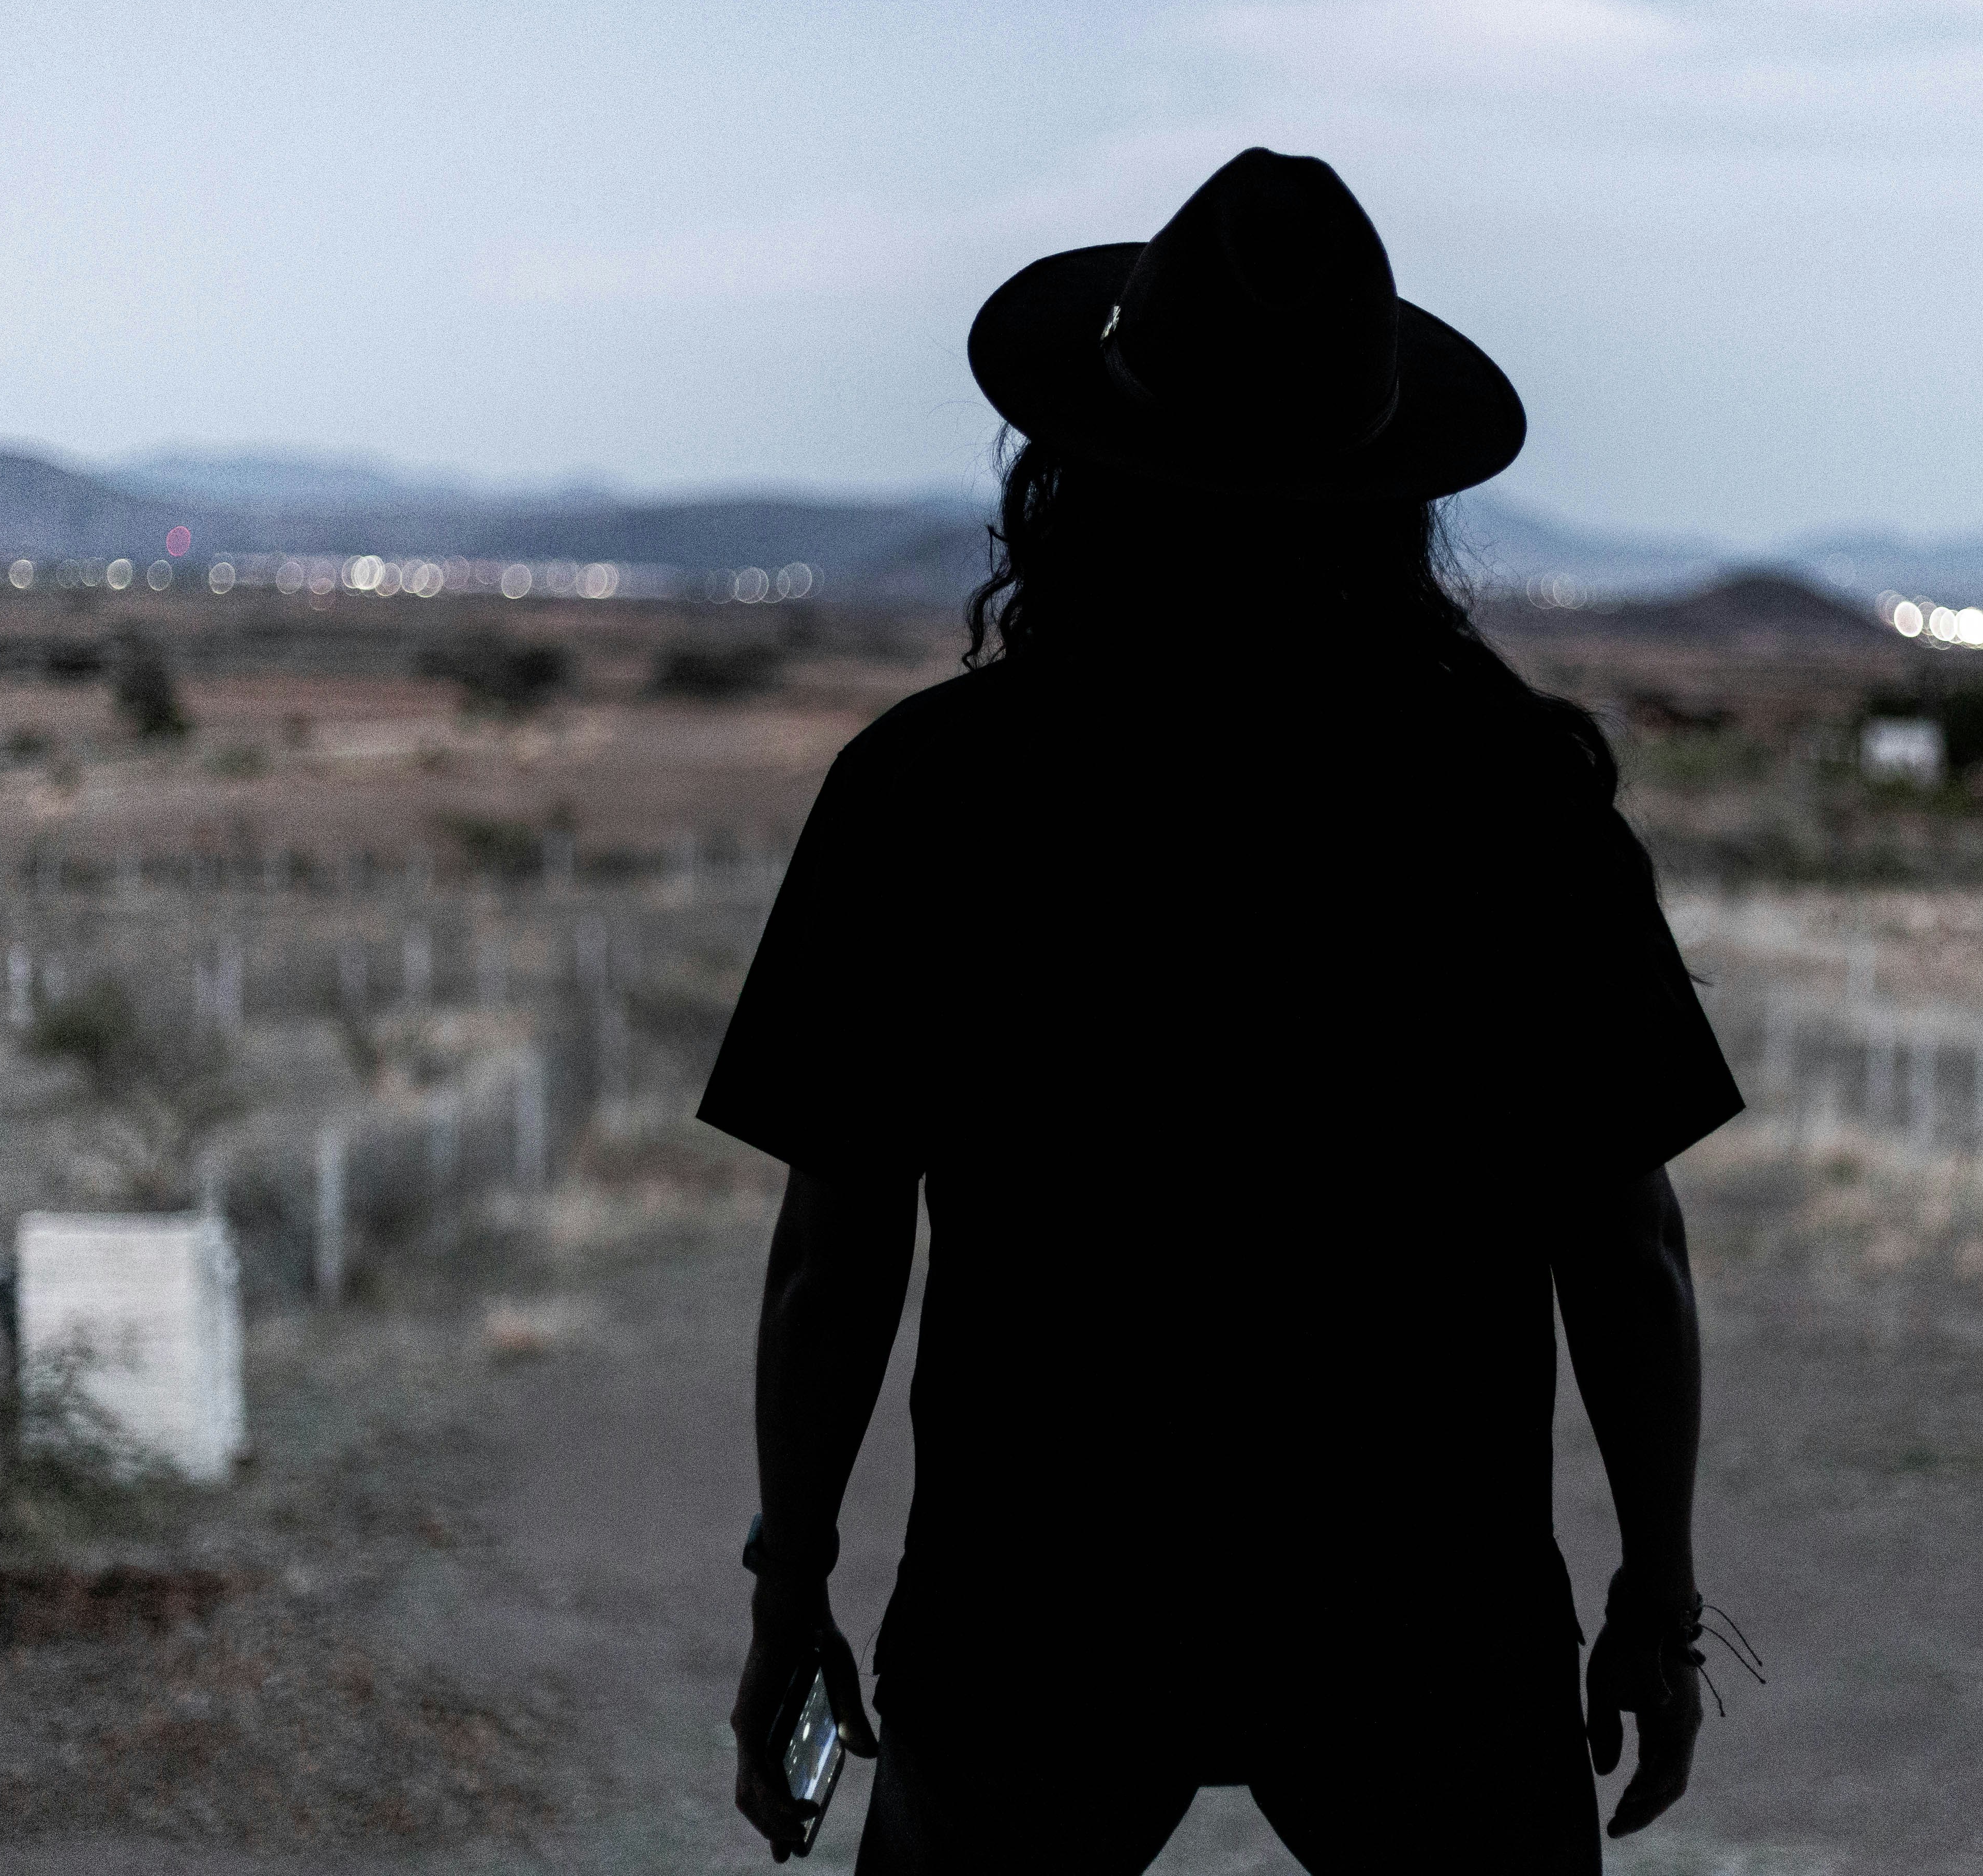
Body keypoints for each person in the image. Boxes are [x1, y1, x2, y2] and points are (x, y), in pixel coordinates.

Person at [707, 147, 1744, 1875]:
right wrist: (1658, 1586)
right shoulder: (1509, 803)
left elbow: (839, 1245)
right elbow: (1625, 1242)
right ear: (1386, 491)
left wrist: (792, 1587)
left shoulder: (932, 792)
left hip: (1037, 1605)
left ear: (1081, 472)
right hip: (1424, 1615)